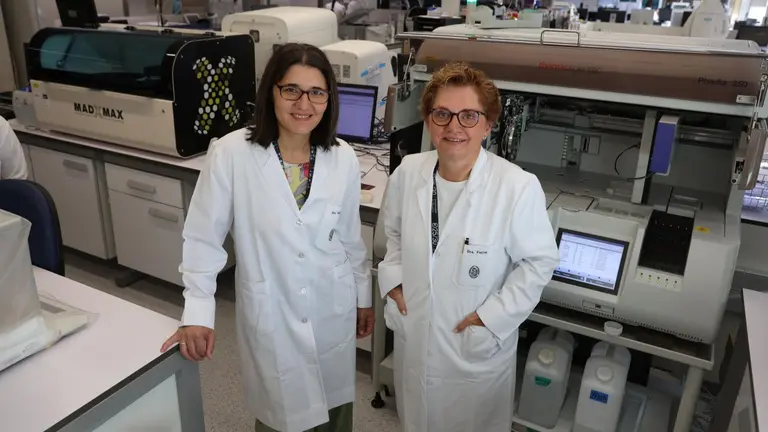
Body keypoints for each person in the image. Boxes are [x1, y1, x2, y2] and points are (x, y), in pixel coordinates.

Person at [160, 43, 374, 432]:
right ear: (270, 92)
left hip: (332, 307)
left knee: (335, 410)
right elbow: (203, 239)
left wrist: (363, 298)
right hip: (272, 310)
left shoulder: (341, 156)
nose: (303, 103)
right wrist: (196, 314)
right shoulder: (231, 154)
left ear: (329, 99)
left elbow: (348, 238)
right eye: (290, 90)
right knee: (282, 415)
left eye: (316, 92)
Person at [377, 61, 560, 432]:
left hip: (473, 346)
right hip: (416, 338)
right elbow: (391, 236)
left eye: (469, 116)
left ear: (488, 124)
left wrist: (490, 319)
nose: (454, 127)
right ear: (428, 120)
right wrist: (394, 283)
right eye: (442, 114)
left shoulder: (517, 187)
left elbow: (537, 263)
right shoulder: (408, 172)